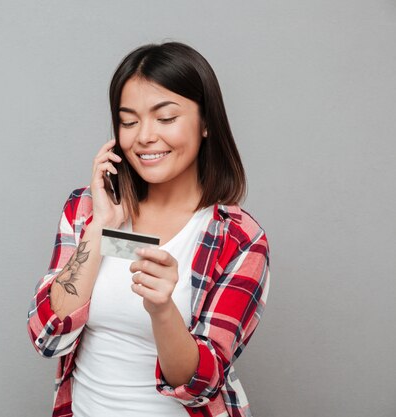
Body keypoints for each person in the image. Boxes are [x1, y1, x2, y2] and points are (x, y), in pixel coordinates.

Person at [27, 41, 270, 417]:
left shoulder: (238, 238)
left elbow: (200, 385)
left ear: (206, 122)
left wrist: (162, 309)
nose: (144, 136)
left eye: (166, 118)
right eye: (128, 121)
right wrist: (100, 228)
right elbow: (47, 336)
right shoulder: (85, 209)